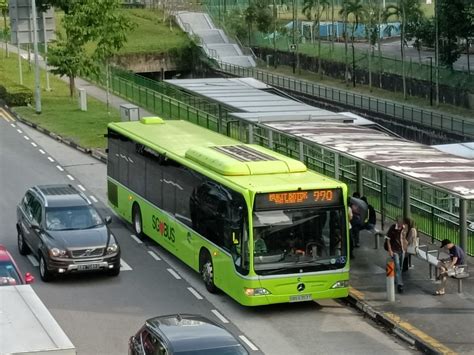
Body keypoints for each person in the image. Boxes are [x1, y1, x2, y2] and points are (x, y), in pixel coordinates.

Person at [385, 217, 408, 293]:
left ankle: (396, 279)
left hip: (402, 250)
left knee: (400, 267)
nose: (401, 224)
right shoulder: (392, 228)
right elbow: (388, 239)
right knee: (397, 267)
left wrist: (405, 247)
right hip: (395, 251)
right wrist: (390, 250)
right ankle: (400, 285)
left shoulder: (404, 228)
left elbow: (404, 238)